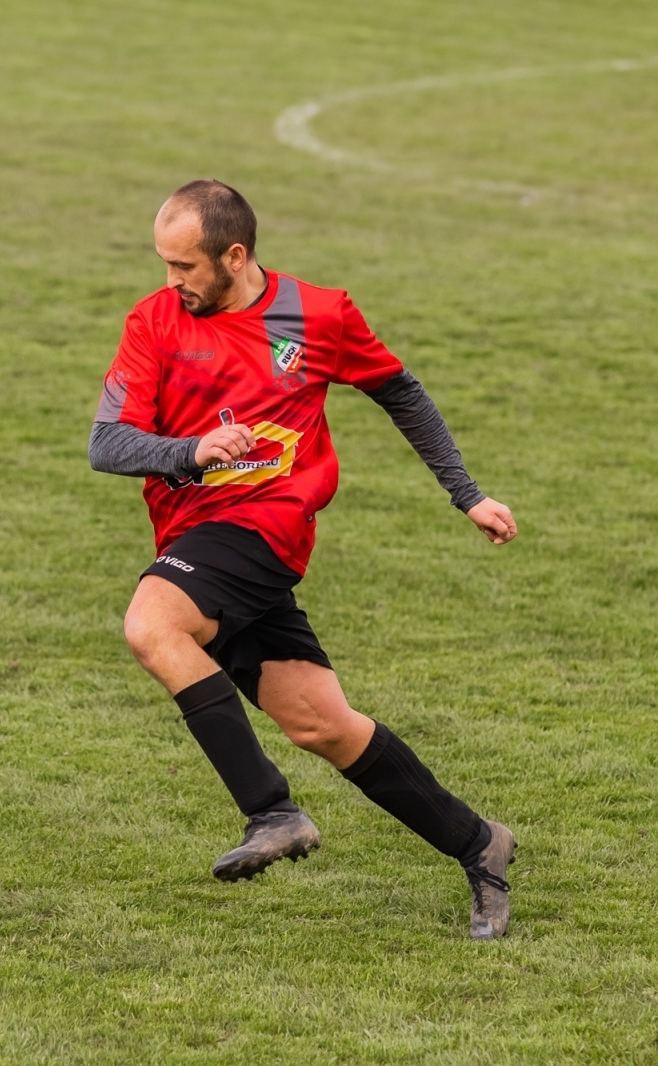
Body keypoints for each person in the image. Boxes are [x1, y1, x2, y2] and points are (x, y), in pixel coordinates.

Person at [89, 180, 518, 939]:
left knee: (153, 625)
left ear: (235, 255)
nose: (171, 281)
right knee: (324, 724)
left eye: (185, 266)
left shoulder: (313, 314)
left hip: (267, 525)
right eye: (162, 263)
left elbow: (402, 394)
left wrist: (467, 494)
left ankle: (272, 810)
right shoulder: (155, 322)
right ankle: (479, 843)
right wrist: (190, 449)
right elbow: (108, 444)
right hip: (196, 531)